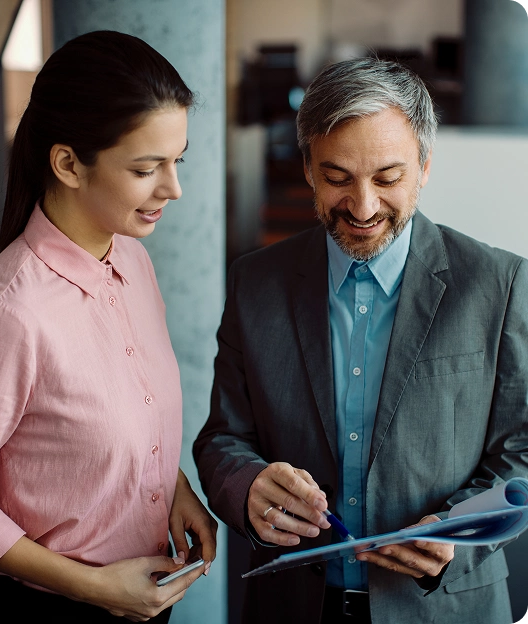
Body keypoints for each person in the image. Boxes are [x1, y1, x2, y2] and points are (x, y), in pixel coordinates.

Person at [193, 57, 528, 624]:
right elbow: (223, 437)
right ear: (307, 168)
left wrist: (458, 528)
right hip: (292, 608)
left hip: (446, 610)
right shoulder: (256, 281)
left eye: (389, 178)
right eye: (338, 178)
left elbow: (521, 452)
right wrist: (247, 486)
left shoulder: (502, 284)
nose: (364, 207)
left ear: (424, 166)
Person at [0, 30, 217, 623]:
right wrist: (92, 588)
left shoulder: (133, 261)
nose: (174, 189)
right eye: (147, 168)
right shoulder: (10, 314)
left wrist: (173, 489)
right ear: (68, 163)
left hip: (144, 601)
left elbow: (110, 417)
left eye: (177, 161)